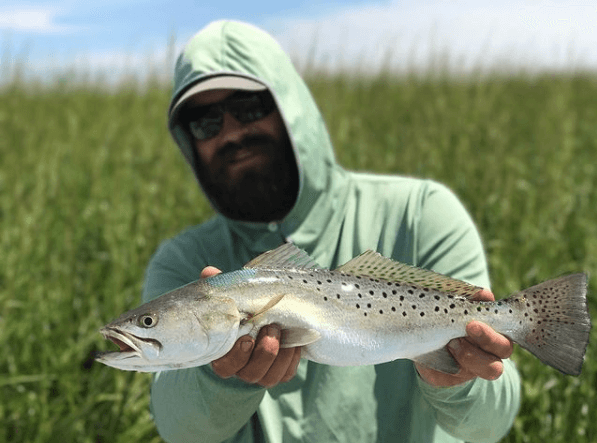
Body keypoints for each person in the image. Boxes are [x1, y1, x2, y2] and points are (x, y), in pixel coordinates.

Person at [142, 20, 521, 443]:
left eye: (250, 107)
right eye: (204, 122)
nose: (232, 133)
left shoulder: (422, 212)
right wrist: (225, 377)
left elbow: (492, 424)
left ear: (290, 107)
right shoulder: (180, 261)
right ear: (188, 142)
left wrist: (458, 381)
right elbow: (179, 431)